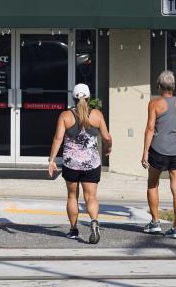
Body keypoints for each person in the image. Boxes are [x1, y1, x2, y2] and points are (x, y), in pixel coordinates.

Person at [47, 83, 112, 244]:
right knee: (91, 197)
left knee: (72, 197)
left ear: (73, 98)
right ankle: (94, 222)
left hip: (71, 164)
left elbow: (58, 138)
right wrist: (108, 148)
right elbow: (107, 137)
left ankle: (74, 229)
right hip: (92, 164)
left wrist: (52, 160)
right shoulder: (96, 114)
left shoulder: (65, 116)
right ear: (89, 98)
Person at [142, 69, 176, 239]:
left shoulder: (154, 104)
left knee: (152, 184)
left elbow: (149, 128)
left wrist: (145, 153)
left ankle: (155, 223)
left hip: (158, 150)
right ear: (173, 87)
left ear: (159, 86)